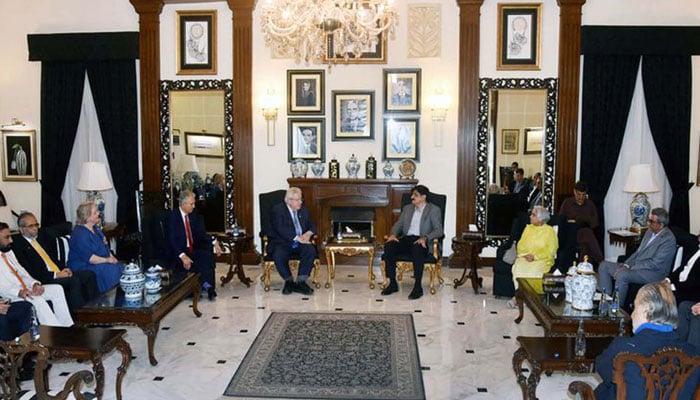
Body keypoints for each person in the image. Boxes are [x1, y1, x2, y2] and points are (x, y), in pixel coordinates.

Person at [594, 282, 699, 400]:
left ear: (646, 309)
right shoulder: (693, 354)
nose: (632, 315)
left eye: (635, 307)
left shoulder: (622, 348)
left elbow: (603, 369)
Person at [12, 212, 98, 311]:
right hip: (45, 278)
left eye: (36, 225)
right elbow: (30, 271)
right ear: (21, 229)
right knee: (74, 281)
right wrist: (56, 275)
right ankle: (79, 317)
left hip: (58, 272)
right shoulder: (18, 246)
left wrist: (64, 269)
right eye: (31, 226)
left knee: (89, 275)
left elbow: (54, 259)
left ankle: (94, 310)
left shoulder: (42, 238)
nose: (35, 228)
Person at [598, 207, 677, 309]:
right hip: (637, 267)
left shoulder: (668, 239)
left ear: (661, 225)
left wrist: (631, 268)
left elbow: (655, 263)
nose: (648, 223)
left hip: (653, 273)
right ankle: (606, 301)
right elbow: (638, 252)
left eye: (651, 221)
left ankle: (617, 309)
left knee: (622, 275)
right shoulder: (649, 232)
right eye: (649, 220)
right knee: (604, 265)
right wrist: (627, 264)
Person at [0, 222, 73, 327]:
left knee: (57, 289)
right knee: (37, 300)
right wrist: (19, 292)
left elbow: (22, 272)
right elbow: (2, 288)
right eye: (7, 237)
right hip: (13, 295)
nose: (11, 240)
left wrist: (34, 283)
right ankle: (56, 331)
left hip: (26, 289)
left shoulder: (8, 252)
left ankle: (68, 326)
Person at [381, 185, 443, 300]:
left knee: (417, 248)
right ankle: (393, 283)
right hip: (406, 239)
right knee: (389, 246)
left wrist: (425, 237)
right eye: (412, 194)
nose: (412, 197)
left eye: (415, 195)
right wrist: (393, 235)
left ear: (423, 197)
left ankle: (418, 286)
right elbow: (398, 225)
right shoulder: (408, 208)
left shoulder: (433, 210)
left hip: (421, 240)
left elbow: (439, 230)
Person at [167, 190, 221, 300]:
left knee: (206, 257)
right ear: (183, 204)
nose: (194, 206)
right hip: (177, 252)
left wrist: (214, 241)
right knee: (191, 264)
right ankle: (197, 288)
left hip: (192, 249)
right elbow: (171, 240)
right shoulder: (173, 217)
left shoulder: (192, 216)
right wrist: (182, 256)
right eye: (192, 204)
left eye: (194, 203)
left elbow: (201, 234)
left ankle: (209, 287)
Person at [268, 187, 317, 296]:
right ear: (289, 201)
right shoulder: (278, 210)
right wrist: (297, 238)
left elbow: (312, 224)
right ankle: (289, 281)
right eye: (298, 200)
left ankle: (301, 281)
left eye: (301, 199)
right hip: (283, 241)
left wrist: (308, 234)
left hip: (300, 242)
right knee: (279, 253)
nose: (301, 202)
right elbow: (280, 228)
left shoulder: (303, 210)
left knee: (310, 250)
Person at [506, 205, 558, 308]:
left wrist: (535, 257)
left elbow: (551, 251)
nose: (530, 216)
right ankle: (520, 297)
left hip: (542, 260)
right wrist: (526, 255)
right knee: (517, 269)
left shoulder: (550, 232)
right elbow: (520, 246)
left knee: (532, 272)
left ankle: (523, 298)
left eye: (533, 215)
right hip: (525, 258)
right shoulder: (528, 229)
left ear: (540, 219)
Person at [67, 202, 124, 294]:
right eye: (95, 212)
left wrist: (112, 257)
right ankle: (109, 300)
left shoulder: (96, 228)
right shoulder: (79, 234)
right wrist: (107, 260)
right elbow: (90, 258)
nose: (98, 213)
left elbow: (105, 246)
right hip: (84, 265)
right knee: (111, 270)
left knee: (121, 267)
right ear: (87, 217)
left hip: (99, 261)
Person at [559, 180, 603, 264]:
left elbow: (595, 223)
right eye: (579, 194)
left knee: (585, 244)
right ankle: (601, 261)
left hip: (584, 231)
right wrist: (570, 222)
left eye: (583, 195)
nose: (581, 197)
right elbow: (560, 220)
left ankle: (582, 268)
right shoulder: (567, 203)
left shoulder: (590, 204)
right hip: (570, 232)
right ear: (574, 192)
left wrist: (586, 220)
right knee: (587, 234)